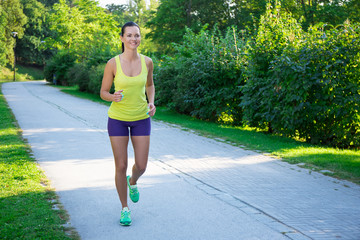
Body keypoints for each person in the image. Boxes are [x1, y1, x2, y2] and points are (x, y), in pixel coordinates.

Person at [100, 21, 156, 226]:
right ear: (122, 38)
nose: (134, 39)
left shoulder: (147, 62)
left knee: (141, 165)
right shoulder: (112, 63)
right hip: (118, 120)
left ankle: (133, 182)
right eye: (130, 35)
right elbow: (103, 92)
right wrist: (112, 97)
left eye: (137, 35)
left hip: (141, 118)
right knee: (121, 165)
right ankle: (125, 208)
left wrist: (151, 102)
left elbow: (150, 85)